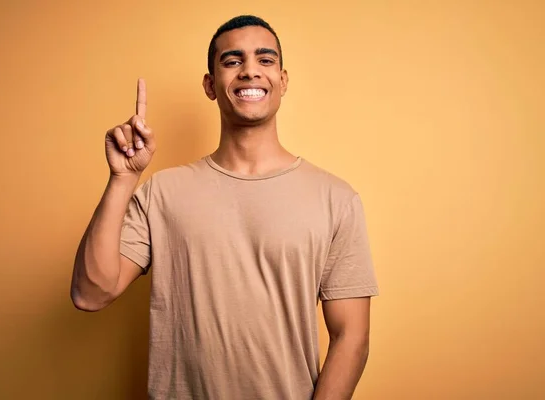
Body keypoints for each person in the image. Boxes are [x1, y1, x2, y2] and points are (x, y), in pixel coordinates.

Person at [71, 14, 379, 400]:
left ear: (282, 81)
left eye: (265, 60)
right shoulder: (163, 193)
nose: (250, 71)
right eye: (232, 61)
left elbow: (352, 337)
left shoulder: (336, 199)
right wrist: (122, 178)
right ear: (210, 85)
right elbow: (90, 294)